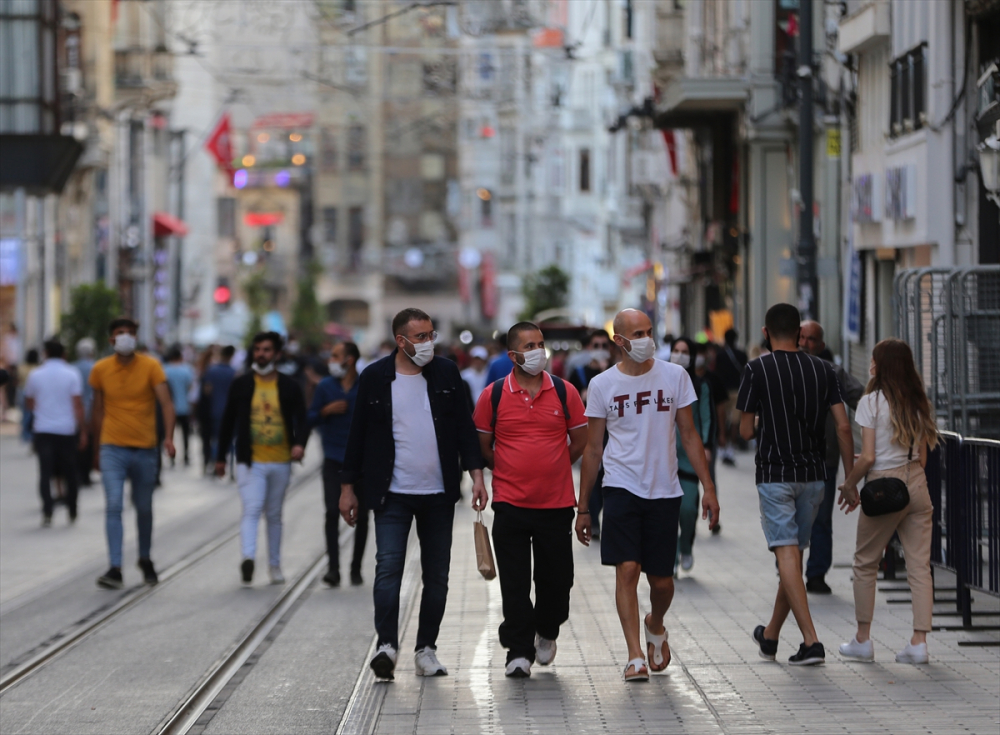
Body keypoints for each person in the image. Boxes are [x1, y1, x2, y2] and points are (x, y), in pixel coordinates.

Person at [340, 308, 487, 681]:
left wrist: (478, 476)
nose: (428, 343)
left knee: (437, 575)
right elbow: (356, 435)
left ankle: (426, 649)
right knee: (388, 569)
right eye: (420, 337)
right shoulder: (374, 378)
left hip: (439, 493)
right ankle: (386, 644)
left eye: (430, 335)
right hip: (392, 493)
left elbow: (465, 430)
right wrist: (347, 488)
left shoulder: (447, 373)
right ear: (401, 341)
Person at [575, 309, 719, 682]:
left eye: (649, 331)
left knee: (662, 582)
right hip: (620, 486)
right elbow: (592, 450)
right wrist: (583, 507)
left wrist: (709, 488)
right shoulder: (603, 385)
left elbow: (689, 434)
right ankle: (635, 654)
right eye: (637, 333)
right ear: (619, 341)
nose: (646, 339)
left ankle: (655, 623)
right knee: (627, 569)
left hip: (664, 490)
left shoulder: (675, 376)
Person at [736, 303, 854, 666]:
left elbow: (743, 429)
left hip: (775, 474)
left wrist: (761, 424)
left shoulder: (756, 369)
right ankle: (770, 636)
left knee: (787, 556)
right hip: (814, 475)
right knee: (794, 557)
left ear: (767, 332)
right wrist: (850, 480)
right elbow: (844, 426)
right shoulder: (824, 370)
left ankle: (811, 641)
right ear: (798, 333)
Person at [474, 322, 588, 678]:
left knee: (558, 580)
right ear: (513, 355)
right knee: (515, 580)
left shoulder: (564, 391)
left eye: (541, 344)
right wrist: (508, 470)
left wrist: (554, 467)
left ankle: (548, 630)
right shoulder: (492, 395)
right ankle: (518, 650)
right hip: (510, 503)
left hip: (556, 504)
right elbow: (483, 447)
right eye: (530, 345)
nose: (538, 351)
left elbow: (581, 441)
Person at [837, 339, 939, 665]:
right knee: (920, 566)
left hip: (883, 486)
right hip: (917, 484)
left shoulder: (870, 402)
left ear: (879, 365)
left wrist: (849, 484)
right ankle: (919, 643)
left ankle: (863, 640)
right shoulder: (917, 401)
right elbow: (922, 457)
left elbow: (868, 457)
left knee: (865, 563)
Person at [216, 332, 308, 586]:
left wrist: (299, 443)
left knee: (275, 514)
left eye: (267, 350)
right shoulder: (242, 384)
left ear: (277, 354)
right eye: (257, 349)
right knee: (253, 508)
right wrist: (221, 457)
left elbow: (303, 419)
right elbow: (227, 421)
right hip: (250, 460)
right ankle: (248, 558)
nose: (261, 354)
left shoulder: (289, 385)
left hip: (280, 460)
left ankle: (275, 566)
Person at [90, 318, 176, 588]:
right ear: (111, 339)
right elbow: (97, 410)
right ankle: (115, 566)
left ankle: (145, 557)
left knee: (144, 508)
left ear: (136, 337)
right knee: (114, 505)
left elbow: (166, 403)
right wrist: (95, 448)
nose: (125, 337)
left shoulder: (151, 366)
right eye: (120, 333)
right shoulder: (100, 369)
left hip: (145, 449)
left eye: (130, 333)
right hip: (112, 447)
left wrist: (170, 438)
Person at [798, 320, 864, 594]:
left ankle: (815, 574)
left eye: (811, 339)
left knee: (821, 520)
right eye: (800, 337)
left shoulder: (833, 373)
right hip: (789, 460)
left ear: (821, 345)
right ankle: (788, 569)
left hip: (824, 459)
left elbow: (863, 398)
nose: (804, 343)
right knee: (791, 519)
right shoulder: (780, 370)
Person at [308, 341, 367, 587]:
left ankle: (355, 567)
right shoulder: (325, 386)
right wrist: (325, 411)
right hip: (333, 458)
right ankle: (333, 568)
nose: (331, 360)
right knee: (332, 511)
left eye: (335, 356)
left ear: (349, 359)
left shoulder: (366, 385)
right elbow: (309, 417)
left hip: (362, 461)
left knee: (363, 515)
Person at [24, 339, 86, 526]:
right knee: (70, 472)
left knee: (45, 472)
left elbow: (29, 402)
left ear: (45, 353)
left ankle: (47, 510)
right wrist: (82, 430)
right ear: (64, 354)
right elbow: (77, 405)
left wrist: (42, 411)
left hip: (43, 430)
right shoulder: (71, 373)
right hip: (66, 430)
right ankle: (72, 509)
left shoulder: (36, 374)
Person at [668, 338, 714, 572]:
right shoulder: (660, 381)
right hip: (664, 457)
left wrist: (706, 445)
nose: (679, 355)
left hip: (689, 457)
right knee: (668, 513)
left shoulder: (699, 385)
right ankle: (673, 558)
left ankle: (686, 546)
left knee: (687, 509)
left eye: (684, 352)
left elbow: (706, 417)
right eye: (675, 350)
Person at [568, 329, 613, 538]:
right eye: (596, 346)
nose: (601, 350)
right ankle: (593, 519)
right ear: (589, 348)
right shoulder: (578, 373)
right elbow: (569, 402)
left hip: (611, 433)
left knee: (607, 477)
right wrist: (581, 395)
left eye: (605, 346)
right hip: (588, 432)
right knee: (592, 475)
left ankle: (600, 515)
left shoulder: (615, 373)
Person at [714, 329, 748, 464]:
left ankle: (723, 446)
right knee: (734, 422)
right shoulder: (742, 354)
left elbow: (716, 372)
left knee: (722, 419)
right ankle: (730, 449)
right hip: (738, 391)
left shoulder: (720, 355)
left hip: (723, 391)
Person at [202, 345, 236, 467]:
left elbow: (207, 391)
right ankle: (231, 465)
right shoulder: (234, 372)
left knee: (216, 439)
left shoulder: (212, 370)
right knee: (231, 440)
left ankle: (216, 463)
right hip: (231, 411)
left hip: (215, 410)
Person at [164, 346, 195, 467]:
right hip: (184, 407)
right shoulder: (187, 370)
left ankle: (171, 456)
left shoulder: (164, 369)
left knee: (170, 434)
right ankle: (186, 456)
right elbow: (190, 387)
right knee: (185, 434)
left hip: (169, 408)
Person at [74, 338, 98, 486]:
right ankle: (86, 474)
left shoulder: (72, 367)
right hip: (92, 410)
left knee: (77, 443)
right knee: (89, 443)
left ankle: (78, 473)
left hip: (75, 412)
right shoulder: (96, 367)